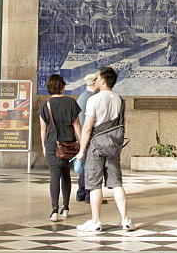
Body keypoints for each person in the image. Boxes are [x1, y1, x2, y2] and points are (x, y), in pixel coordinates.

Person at [74, 66, 136, 233]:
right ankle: (125, 219)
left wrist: (81, 150)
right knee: (116, 183)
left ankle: (96, 221)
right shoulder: (119, 99)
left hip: (96, 146)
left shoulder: (94, 100)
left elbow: (87, 128)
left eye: (97, 78)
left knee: (94, 185)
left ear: (102, 80)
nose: (95, 81)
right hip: (113, 146)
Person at [38, 73, 83, 222]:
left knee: (54, 176)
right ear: (62, 87)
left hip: (52, 145)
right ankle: (66, 207)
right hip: (68, 145)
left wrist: (44, 146)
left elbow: (43, 129)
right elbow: (77, 125)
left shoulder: (45, 105)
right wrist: (82, 144)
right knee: (66, 176)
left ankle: (54, 210)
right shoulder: (71, 102)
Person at [75, 72, 98, 205]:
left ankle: (81, 192)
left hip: (83, 135)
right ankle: (90, 194)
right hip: (92, 135)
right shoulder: (94, 98)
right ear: (94, 83)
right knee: (92, 166)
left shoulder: (81, 97)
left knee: (84, 164)